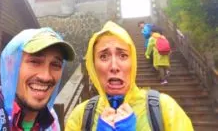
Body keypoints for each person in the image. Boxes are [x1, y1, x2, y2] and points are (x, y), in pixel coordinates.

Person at [65, 21, 193, 131]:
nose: (114, 66)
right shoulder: (81, 116)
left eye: (123, 55)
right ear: (93, 65)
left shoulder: (165, 109)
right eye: (103, 56)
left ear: (133, 62)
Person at [0, 27, 75, 130]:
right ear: (11, 66)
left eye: (56, 64)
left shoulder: (51, 121)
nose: (46, 76)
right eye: (35, 61)